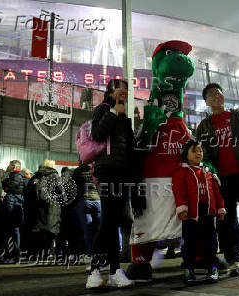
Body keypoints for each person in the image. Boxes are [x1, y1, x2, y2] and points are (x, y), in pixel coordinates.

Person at [196, 83, 239, 276]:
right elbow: (203, 153)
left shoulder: (237, 116)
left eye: (219, 93)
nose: (216, 97)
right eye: (211, 95)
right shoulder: (204, 126)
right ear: (207, 101)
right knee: (227, 221)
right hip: (222, 178)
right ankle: (233, 261)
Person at [86, 79, 135, 289]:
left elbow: (130, 147)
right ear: (110, 92)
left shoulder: (125, 117)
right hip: (107, 172)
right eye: (119, 88)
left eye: (126, 88)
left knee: (113, 221)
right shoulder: (104, 109)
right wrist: (113, 112)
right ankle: (95, 272)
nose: (124, 91)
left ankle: (115, 271)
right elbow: (97, 134)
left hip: (122, 173)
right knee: (108, 221)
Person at [172, 140, 226, 284]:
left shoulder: (208, 173)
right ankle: (189, 269)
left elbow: (216, 193)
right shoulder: (181, 172)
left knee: (211, 242)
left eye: (200, 151)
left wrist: (220, 208)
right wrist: (182, 208)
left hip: (208, 213)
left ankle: (212, 268)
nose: (198, 153)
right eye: (194, 150)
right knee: (190, 243)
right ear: (186, 154)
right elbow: (179, 192)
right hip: (190, 215)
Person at [24, 160, 64, 257]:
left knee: (38, 231)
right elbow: (62, 193)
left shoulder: (35, 177)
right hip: (52, 208)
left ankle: (36, 254)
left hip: (36, 209)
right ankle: (49, 253)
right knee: (50, 231)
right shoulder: (55, 177)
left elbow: (27, 193)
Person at [72, 161, 100, 260]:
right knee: (98, 229)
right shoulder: (96, 169)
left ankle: (89, 254)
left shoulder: (78, 171)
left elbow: (73, 188)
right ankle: (98, 255)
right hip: (97, 201)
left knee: (88, 230)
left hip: (83, 201)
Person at [0, 160, 26, 262]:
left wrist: (5, 181)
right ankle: (14, 253)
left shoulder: (15, 176)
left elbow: (10, 187)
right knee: (15, 230)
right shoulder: (20, 176)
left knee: (10, 230)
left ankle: (10, 253)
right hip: (16, 206)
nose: (8, 167)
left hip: (12, 206)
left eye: (10, 165)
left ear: (14, 166)